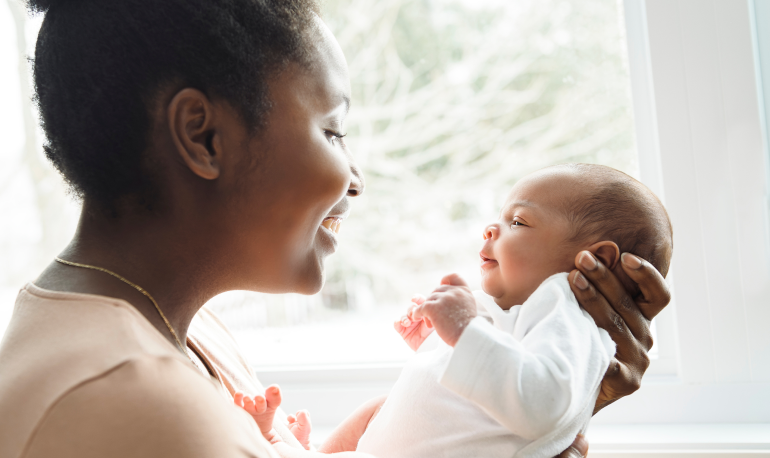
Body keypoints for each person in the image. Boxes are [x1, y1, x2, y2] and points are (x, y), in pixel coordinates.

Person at [0, 0, 671, 456]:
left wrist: (531, 415)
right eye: (332, 129)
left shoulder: (180, 333)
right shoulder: (131, 401)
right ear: (202, 136)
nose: (355, 179)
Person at [235, 164, 673, 458]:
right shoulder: (527, 313)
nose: (492, 228)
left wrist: (465, 330)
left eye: (518, 222)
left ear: (591, 259)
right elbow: (481, 388)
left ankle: (284, 444)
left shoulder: (572, 314)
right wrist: (435, 344)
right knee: (381, 408)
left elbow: (540, 403)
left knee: (379, 409)